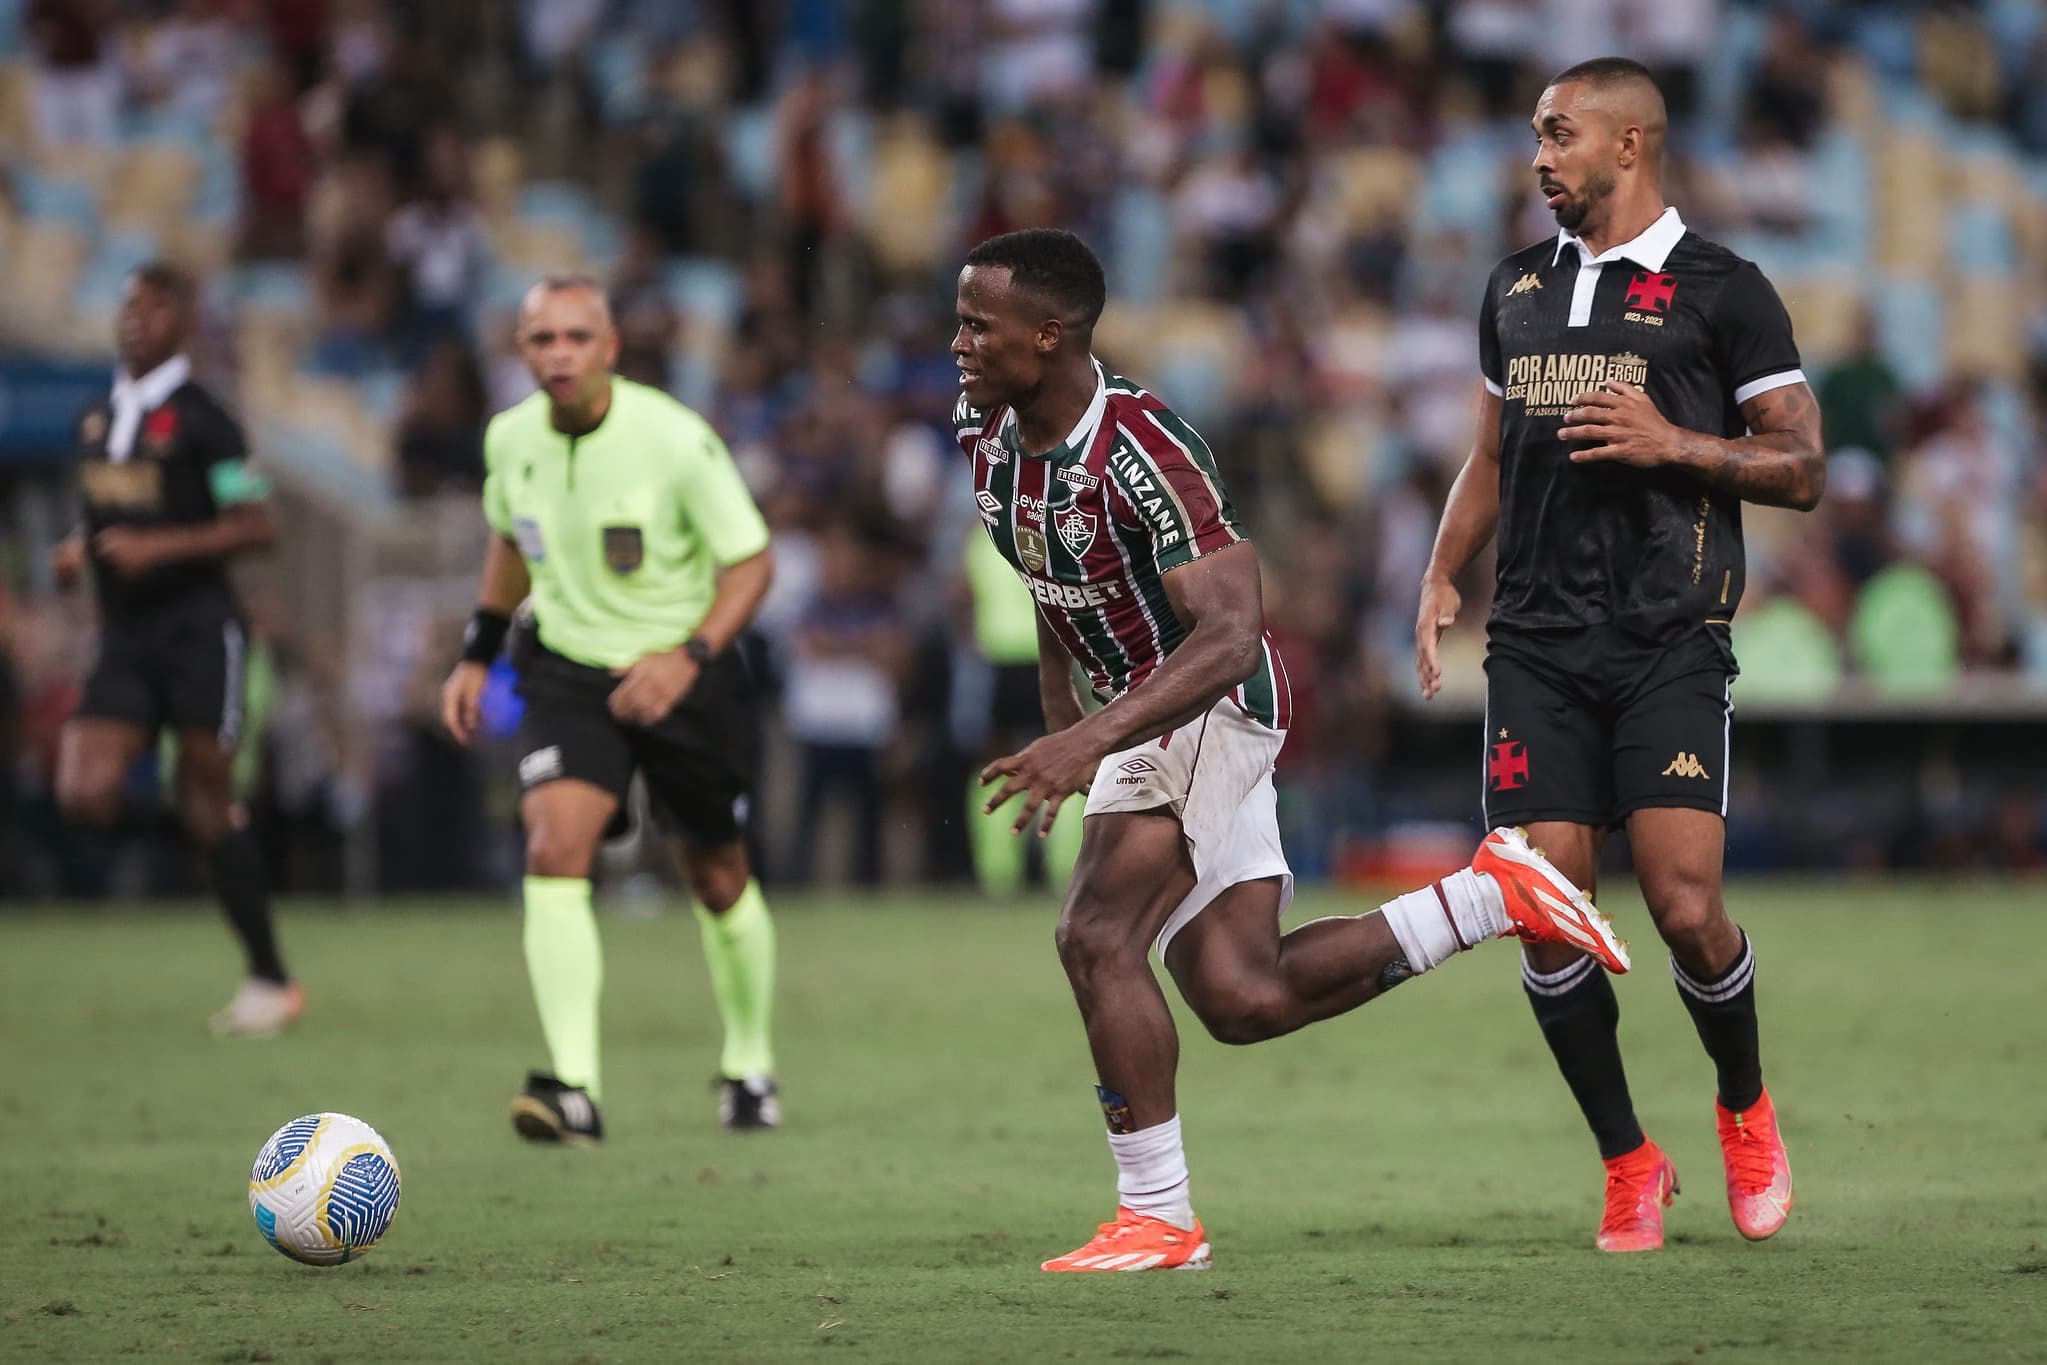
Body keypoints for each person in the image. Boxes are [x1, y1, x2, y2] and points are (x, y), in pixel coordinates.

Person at [954, 228, 1631, 1274]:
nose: (958, 345)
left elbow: (1231, 634)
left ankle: (1158, 1217)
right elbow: (1049, 573)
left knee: (1094, 936)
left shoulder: (1145, 451)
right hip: (1137, 713)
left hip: (1202, 700)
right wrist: (1063, 716)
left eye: (976, 325)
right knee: (1242, 995)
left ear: (1046, 336)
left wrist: (1090, 736)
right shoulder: (985, 429)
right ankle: (1492, 894)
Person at [1416, 58, 1824, 1254]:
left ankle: (1743, 1107)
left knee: (1685, 907)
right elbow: (1491, 454)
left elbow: (1802, 466)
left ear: (1630, 144)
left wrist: (1672, 442)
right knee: (1546, 911)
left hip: (1668, 636)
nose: (1539, 156)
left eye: (1560, 134)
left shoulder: (1724, 290)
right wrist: (1441, 571)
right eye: (1535, 135)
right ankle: (1626, 1160)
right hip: (1535, 645)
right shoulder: (1512, 287)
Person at [440, 274, 781, 1142]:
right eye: (541, 339)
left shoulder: (673, 438)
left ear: (610, 348)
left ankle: (748, 1062)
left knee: (717, 875)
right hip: (565, 670)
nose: (559, 355)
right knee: (553, 845)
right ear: (521, 350)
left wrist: (687, 657)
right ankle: (572, 1088)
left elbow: (751, 564)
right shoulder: (509, 438)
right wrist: (477, 652)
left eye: (576, 337)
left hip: (682, 671)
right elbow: (509, 542)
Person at [51, 262, 299, 1036]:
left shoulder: (207, 419)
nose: (135, 318)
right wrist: (78, 550)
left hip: (200, 629)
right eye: (129, 304)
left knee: (207, 793)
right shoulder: (95, 417)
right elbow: (104, 518)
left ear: (185, 325)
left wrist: (158, 549)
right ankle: (203, 831)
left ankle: (270, 976)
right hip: (126, 636)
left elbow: (257, 526)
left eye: (155, 308)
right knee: (83, 791)